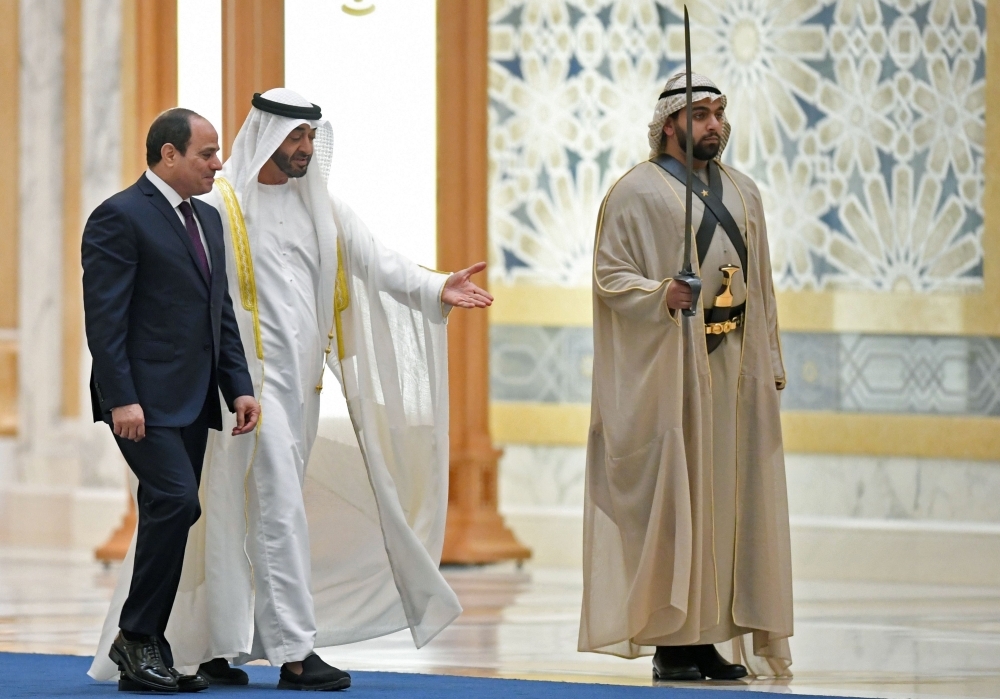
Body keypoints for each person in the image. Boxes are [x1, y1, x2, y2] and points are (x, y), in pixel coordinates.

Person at [90, 88, 491, 692]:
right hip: (237, 390)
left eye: (311, 139)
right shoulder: (221, 204)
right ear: (268, 139)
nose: (304, 149)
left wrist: (436, 289)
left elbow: (379, 262)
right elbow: (197, 304)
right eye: (294, 139)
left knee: (234, 515)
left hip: (292, 392)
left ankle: (221, 646)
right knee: (256, 512)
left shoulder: (322, 207)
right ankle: (291, 652)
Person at [578, 72, 793, 681]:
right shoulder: (636, 194)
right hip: (671, 376)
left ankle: (707, 639)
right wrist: (661, 292)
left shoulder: (744, 193)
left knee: (725, 502)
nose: (715, 126)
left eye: (719, 113)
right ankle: (674, 643)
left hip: (732, 373)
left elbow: (764, 290)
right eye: (700, 115)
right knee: (679, 502)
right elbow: (610, 278)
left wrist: (769, 361)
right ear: (670, 123)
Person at [82, 108, 260, 693]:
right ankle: (136, 638)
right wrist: (121, 399)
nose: (218, 163)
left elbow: (220, 314)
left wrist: (238, 385)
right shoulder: (118, 217)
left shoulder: (208, 220)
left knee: (176, 508)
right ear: (168, 156)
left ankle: (147, 643)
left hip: (193, 398)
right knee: (177, 501)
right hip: (140, 402)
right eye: (206, 154)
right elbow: (105, 323)